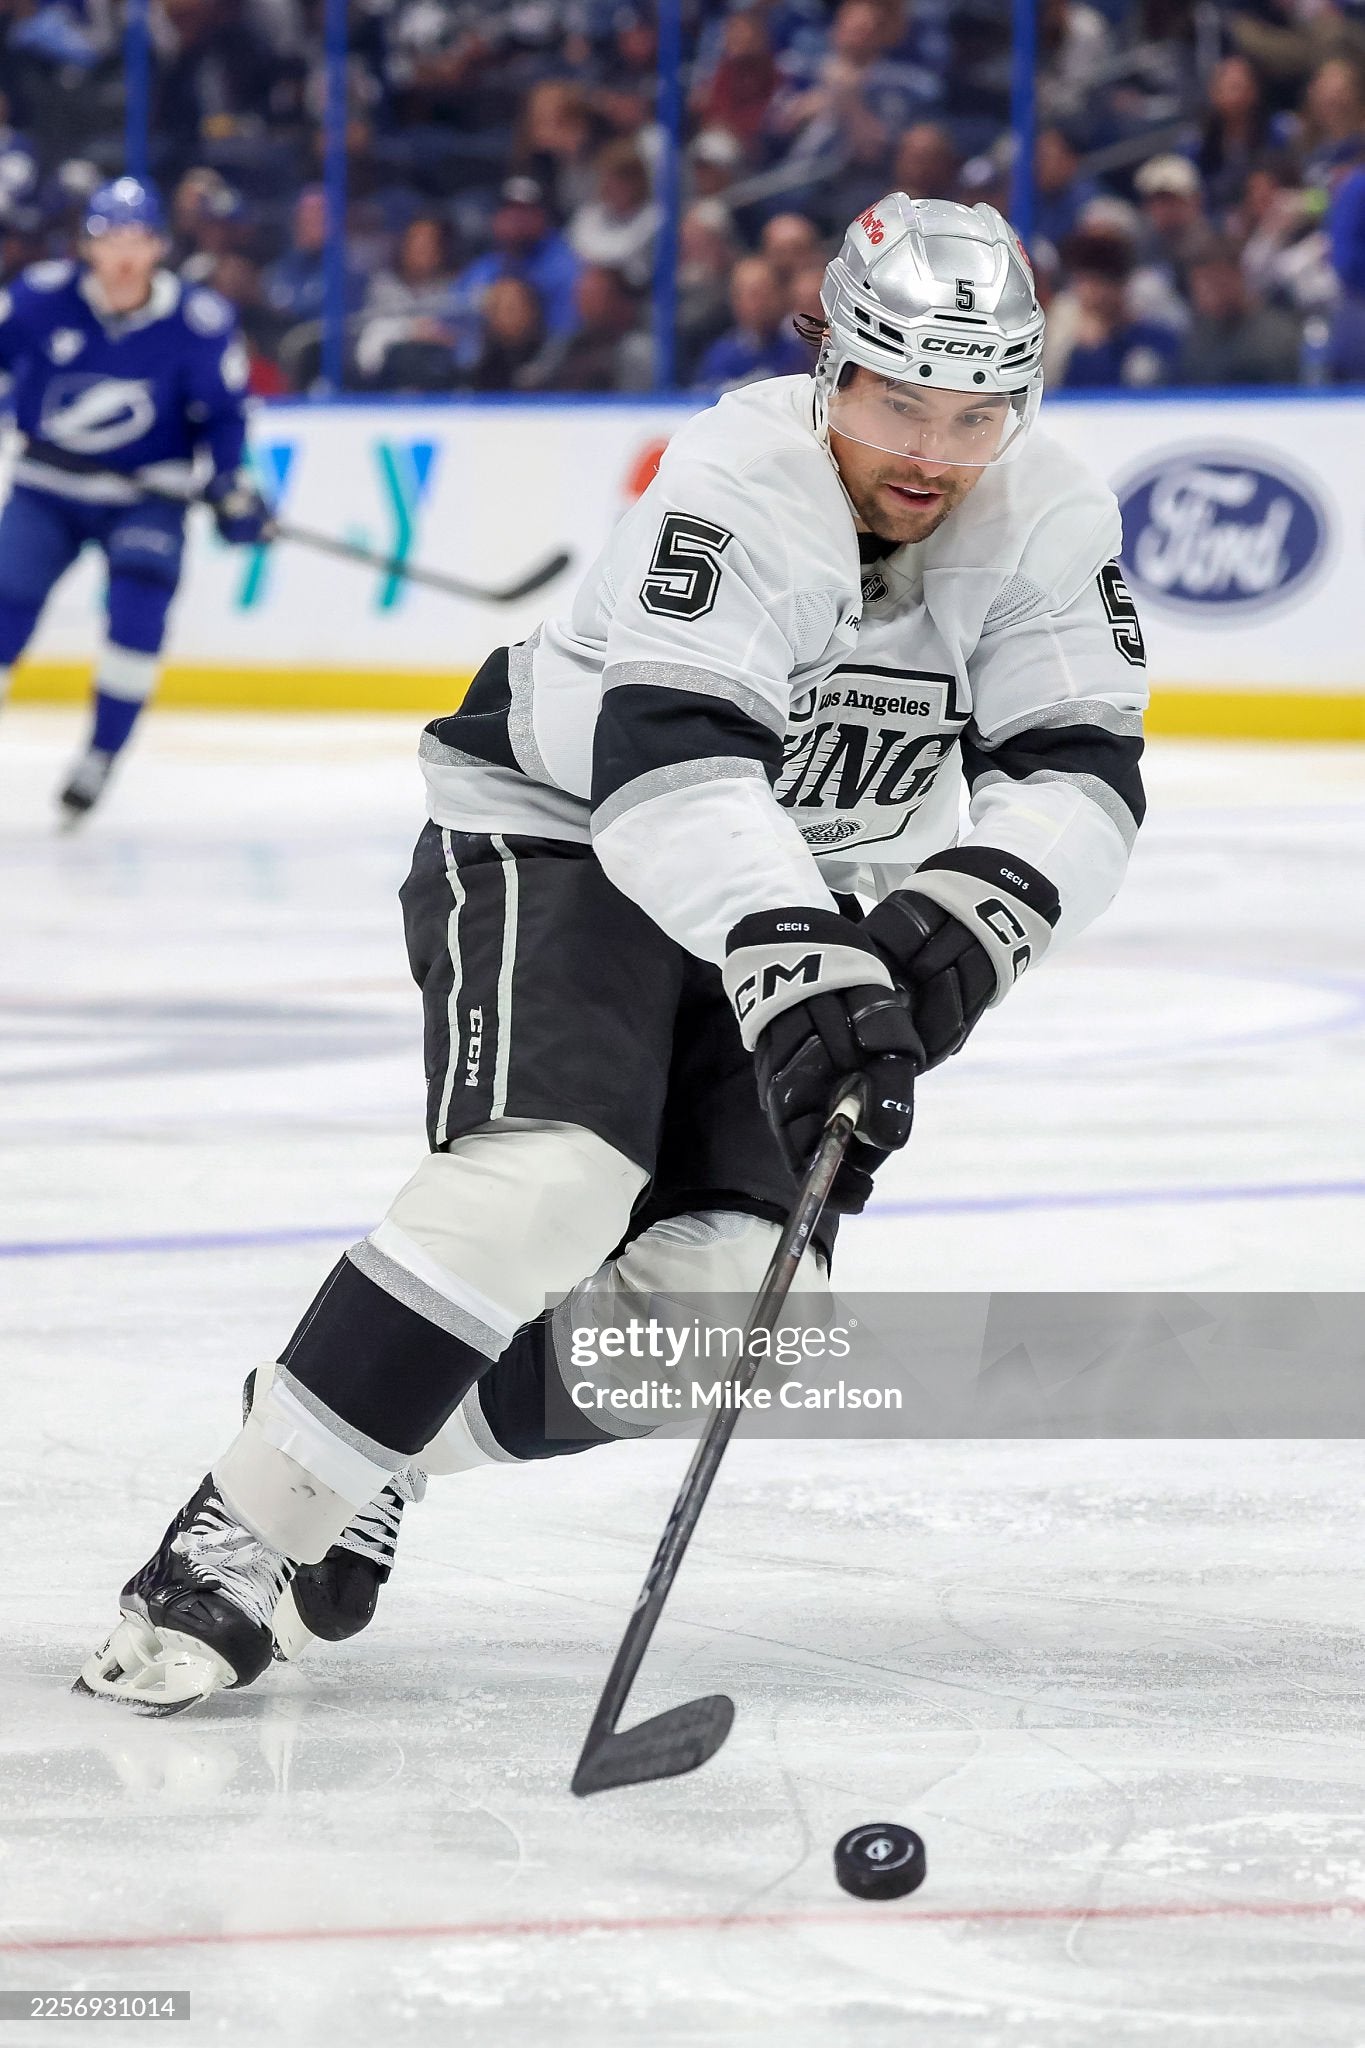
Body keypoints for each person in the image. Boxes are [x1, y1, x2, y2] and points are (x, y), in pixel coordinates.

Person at [76, 194, 1148, 1713]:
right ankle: (242, 1531)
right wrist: (807, 962)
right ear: (827, 358)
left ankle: (349, 1441)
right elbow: (673, 766)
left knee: (728, 1322)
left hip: (801, 885)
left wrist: (962, 922)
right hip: (570, 830)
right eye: (899, 397)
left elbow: (1080, 770)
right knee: (554, 1176)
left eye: (976, 413)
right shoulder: (740, 471)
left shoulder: (1047, 512)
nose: (930, 449)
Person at [0, 176, 268, 822]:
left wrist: (230, 481)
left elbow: (224, 417)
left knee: (138, 613)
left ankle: (100, 755)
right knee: (6, 600)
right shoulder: (38, 301)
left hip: (149, 497)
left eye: (137, 239)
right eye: (109, 239)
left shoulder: (198, 322)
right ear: (86, 246)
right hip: (49, 490)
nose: (123, 255)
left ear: (158, 247)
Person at [1178, 240, 1301, 384]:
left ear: (1238, 277)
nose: (1208, 294)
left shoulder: (1280, 337)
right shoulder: (1196, 339)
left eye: (1216, 282)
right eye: (1200, 286)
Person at [694, 253, 810, 387]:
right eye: (752, 294)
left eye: (766, 292)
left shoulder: (802, 350)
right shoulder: (720, 357)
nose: (761, 303)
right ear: (734, 301)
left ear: (782, 295)